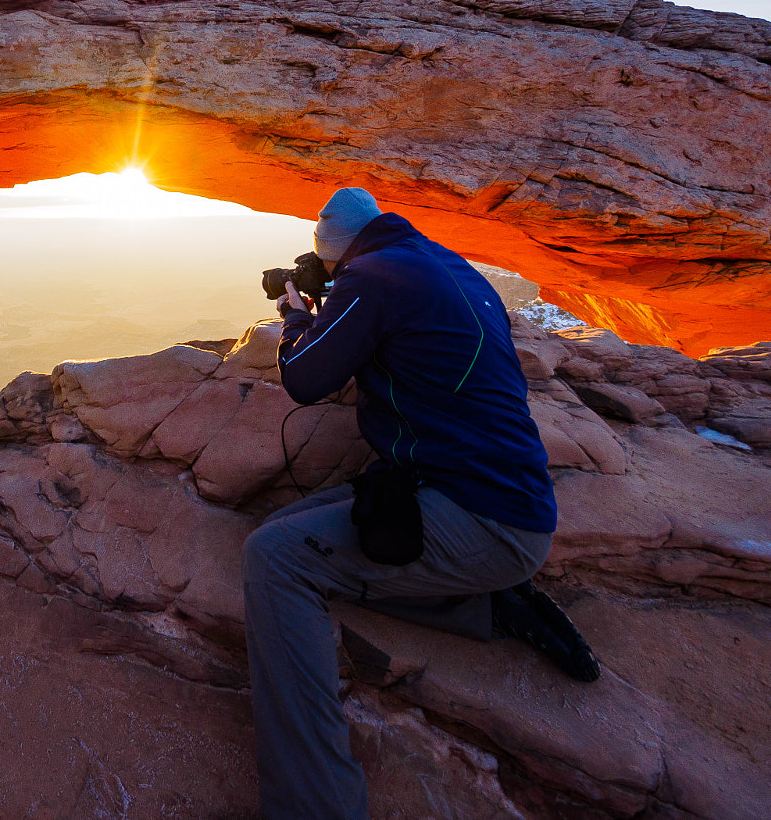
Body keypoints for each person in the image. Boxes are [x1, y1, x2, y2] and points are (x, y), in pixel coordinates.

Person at [240, 187, 599, 820]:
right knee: (285, 529)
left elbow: (303, 377)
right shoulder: (439, 262)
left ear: (334, 253)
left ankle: (315, 804)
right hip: (494, 495)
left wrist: (299, 314)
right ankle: (483, 607)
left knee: (274, 560)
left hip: (481, 517)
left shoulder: (371, 280)